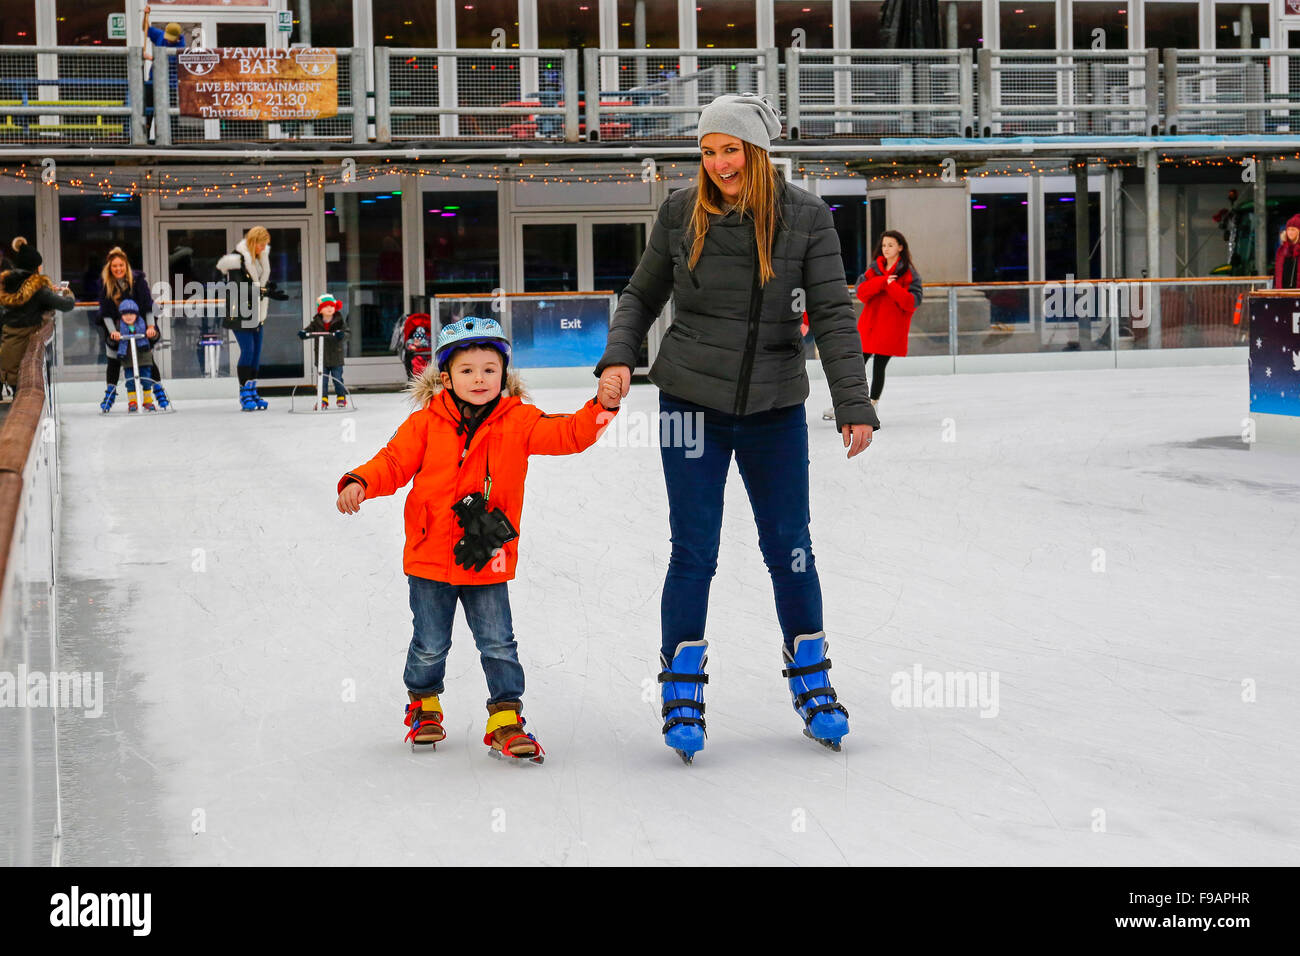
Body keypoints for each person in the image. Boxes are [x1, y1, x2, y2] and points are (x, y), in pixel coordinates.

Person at [594, 92, 878, 763]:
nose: (720, 163)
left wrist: (853, 402)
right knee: (694, 549)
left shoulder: (806, 217)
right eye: (709, 151)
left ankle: (813, 681)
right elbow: (640, 295)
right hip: (690, 401)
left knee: (790, 546)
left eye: (731, 149)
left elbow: (835, 314)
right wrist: (618, 358)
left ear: (757, 150)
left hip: (774, 407)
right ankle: (681, 689)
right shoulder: (680, 213)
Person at [335, 317, 621, 762]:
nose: (480, 378)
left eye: (490, 369)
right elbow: (391, 463)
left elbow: (569, 434)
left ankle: (506, 717)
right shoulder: (424, 424)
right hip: (429, 557)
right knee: (430, 642)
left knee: (498, 642)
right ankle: (424, 705)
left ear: (503, 375)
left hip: (488, 556)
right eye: (468, 370)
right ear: (445, 377)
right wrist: (359, 481)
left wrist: (601, 407)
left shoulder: (519, 421)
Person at [824, 230, 923, 418]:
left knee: (879, 367)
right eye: (884, 245)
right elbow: (861, 292)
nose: (886, 249)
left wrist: (892, 286)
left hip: (891, 329)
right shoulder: (874, 270)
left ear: (900, 247)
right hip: (870, 326)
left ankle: (871, 404)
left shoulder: (909, 274)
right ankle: (846, 405)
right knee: (855, 367)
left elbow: (911, 302)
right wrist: (882, 281)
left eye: (891, 245)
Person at [217, 226, 287, 411]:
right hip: (240, 312)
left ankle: (252, 390)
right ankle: (244, 393)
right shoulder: (236, 259)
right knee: (247, 350)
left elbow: (258, 282)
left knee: (256, 353)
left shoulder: (259, 259)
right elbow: (240, 287)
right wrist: (266, 291)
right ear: (253, 242)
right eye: (261, 245)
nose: (264, 249)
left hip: (257, 311)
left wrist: (269, 287)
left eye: (266, 245)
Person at [0, 238, 74, 399]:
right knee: (28, 391)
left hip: (7, 345)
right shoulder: (38, 288)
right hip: (27, 345)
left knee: (15, 391)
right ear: (36, 267)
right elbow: (66, 305)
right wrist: (67, 293)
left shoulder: (6, 284)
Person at [98, 247, 168, 413]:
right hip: (117, 329)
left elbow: (148, 306)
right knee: (114, 361)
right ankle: (110, 396)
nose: (118, 269)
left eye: (121, 265)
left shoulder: (138, 281)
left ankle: (157, 394)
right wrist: (112, 332)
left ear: (126, 265)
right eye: (114, 266)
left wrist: (150, 327)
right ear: (109, 267)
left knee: (147, 360)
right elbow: (105, 312)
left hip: (140, 327)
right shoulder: (105, 284)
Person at [299, 294, 349, 408]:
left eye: (332, 306)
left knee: (337, 379)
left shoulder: (339, 321)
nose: (329, 308)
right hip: (322, 357)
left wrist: (342, 335)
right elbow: (308, 330)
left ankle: (341, 397)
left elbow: (347, 333)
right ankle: (323, 400)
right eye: (326, 306)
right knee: (322, 380)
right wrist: (303, 333)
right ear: (320, 310)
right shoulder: (316, 322)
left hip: (336, 355)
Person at [114, 300, 156, 412]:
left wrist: (151, 333)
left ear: (136, 314)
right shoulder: (119, 326)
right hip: (128, 358)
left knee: (146, 379)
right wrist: (115, 336)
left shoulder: (144, 324)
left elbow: (154, 337)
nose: (128, 317)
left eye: (131, 314)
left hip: (143, 357)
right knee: (130, 381)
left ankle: (148, 401)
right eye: (125, 314)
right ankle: (132, 402)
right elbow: (111, 340)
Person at [1275, 214, 1300, 290]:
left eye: (1293, 230)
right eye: (1288, 229)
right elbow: (1278, 273)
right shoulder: (1281, 250)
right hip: (1283, 293)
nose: (1290, 232)